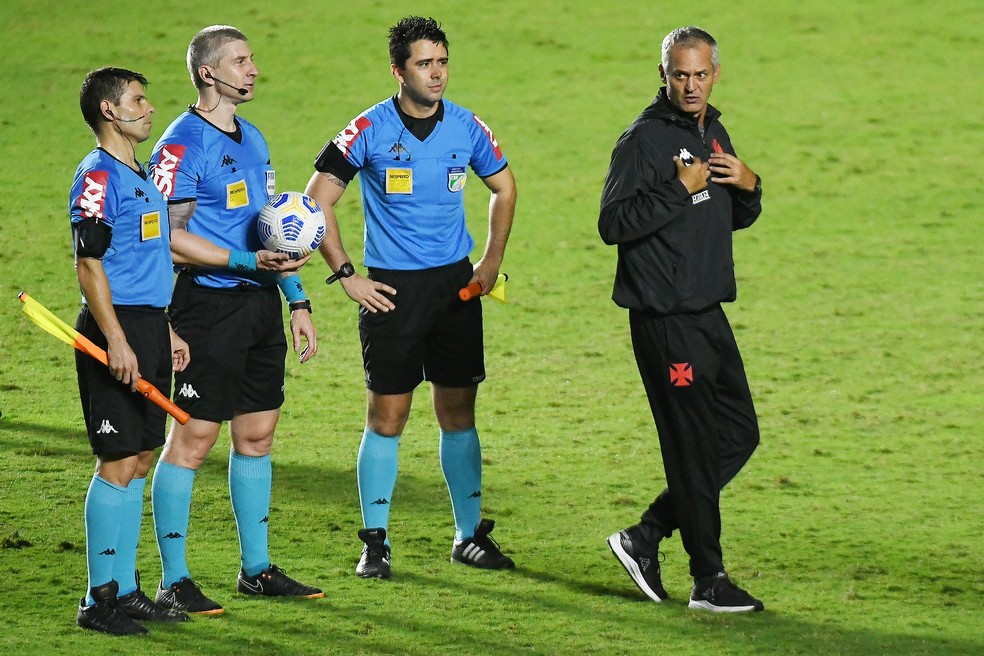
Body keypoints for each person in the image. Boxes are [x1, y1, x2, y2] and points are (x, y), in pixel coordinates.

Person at [305, 16, 517, 579]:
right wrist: (346, 274)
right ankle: (375, 541)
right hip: (392, 290)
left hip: (455, 288)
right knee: (389, 415)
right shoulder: (367, 129)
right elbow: (315, 200)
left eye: (442, 61)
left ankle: (469, 536)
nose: (437, 73)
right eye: (425, 64)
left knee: (458, 410)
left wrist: (491, 260)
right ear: (399, 70)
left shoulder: (468, 126)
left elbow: (504, 186)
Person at [149, 25, 322, 614]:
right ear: (208, 74)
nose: (252, 70)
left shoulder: (254, 139)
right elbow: (169, 240)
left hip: (259, 306)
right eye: (241, 62)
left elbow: (268, 228)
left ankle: (256, 570)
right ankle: (174, 580)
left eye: (252, 60)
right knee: (194, 439)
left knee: (257, 436)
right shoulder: (180, 144)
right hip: (206, 307)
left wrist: (296, 298)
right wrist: (249, 261)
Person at [599, 26, 766, 612]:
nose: (691, 85)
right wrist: (677, 187)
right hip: (666, 319)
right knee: (692, 446)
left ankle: (645, 536)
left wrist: (749, 187)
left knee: (740, 432)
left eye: (700, 74)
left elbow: (724, 216)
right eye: (680, 75)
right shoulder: (643, 142)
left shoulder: (712, 131)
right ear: (663, 75)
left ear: (714, 74)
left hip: (708, 312)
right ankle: (709, 580)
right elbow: (612, 224)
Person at [71, 67, 191, 635]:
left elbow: (142, 260)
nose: (148, 109)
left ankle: (128, 587)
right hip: (111, 333)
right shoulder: (97, 175)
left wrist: (162, 330)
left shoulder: (137, 172)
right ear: (109, 111)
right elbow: (89, 262)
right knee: (116, 462)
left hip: (147, 326)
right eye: (138, 101)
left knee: (141, 457)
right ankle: (97, 600)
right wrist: (116, 339)